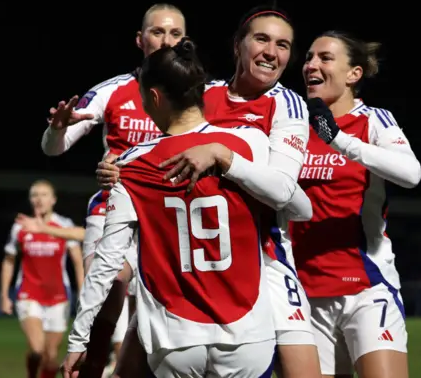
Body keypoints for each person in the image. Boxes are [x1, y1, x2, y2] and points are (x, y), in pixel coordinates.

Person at [64, 37, 312, 378]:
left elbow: (106, 263)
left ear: (154, 97)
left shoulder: (131, 165)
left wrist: (79, 340)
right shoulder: (247, 142)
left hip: (174, 340)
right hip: (246, 334)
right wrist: (228, 161)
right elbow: (301, 208)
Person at [41, 3, 186, 376]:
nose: (166, 41)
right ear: (140, 40)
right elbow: (55, 147)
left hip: (169, 223)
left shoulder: (199, 98)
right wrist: (57, 128)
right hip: (112, 212)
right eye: (157, 32)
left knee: (153, 332)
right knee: (109, 290)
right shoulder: (113, 91)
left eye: (175, 34)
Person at [291, 30, 421, 378]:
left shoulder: (374, 120)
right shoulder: (291, 125)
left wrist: (337, 138)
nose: (311, 65)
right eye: (308, 58)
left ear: (354, 74)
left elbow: (410, 174)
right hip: (304, 292)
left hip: (366, 287)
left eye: (324, 58)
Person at [0, 179, 84, 378]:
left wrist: (83, 294)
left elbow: (78, 263)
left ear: (53, 200)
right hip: (29, 295)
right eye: (35, 195)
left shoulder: (64, 225)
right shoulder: (20, 227)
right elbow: (9, 261)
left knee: (51, 357)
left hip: (58, 298)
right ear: (30, 200)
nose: (39, 199)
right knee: (37, 349)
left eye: (44, 194)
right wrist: (4, 295)